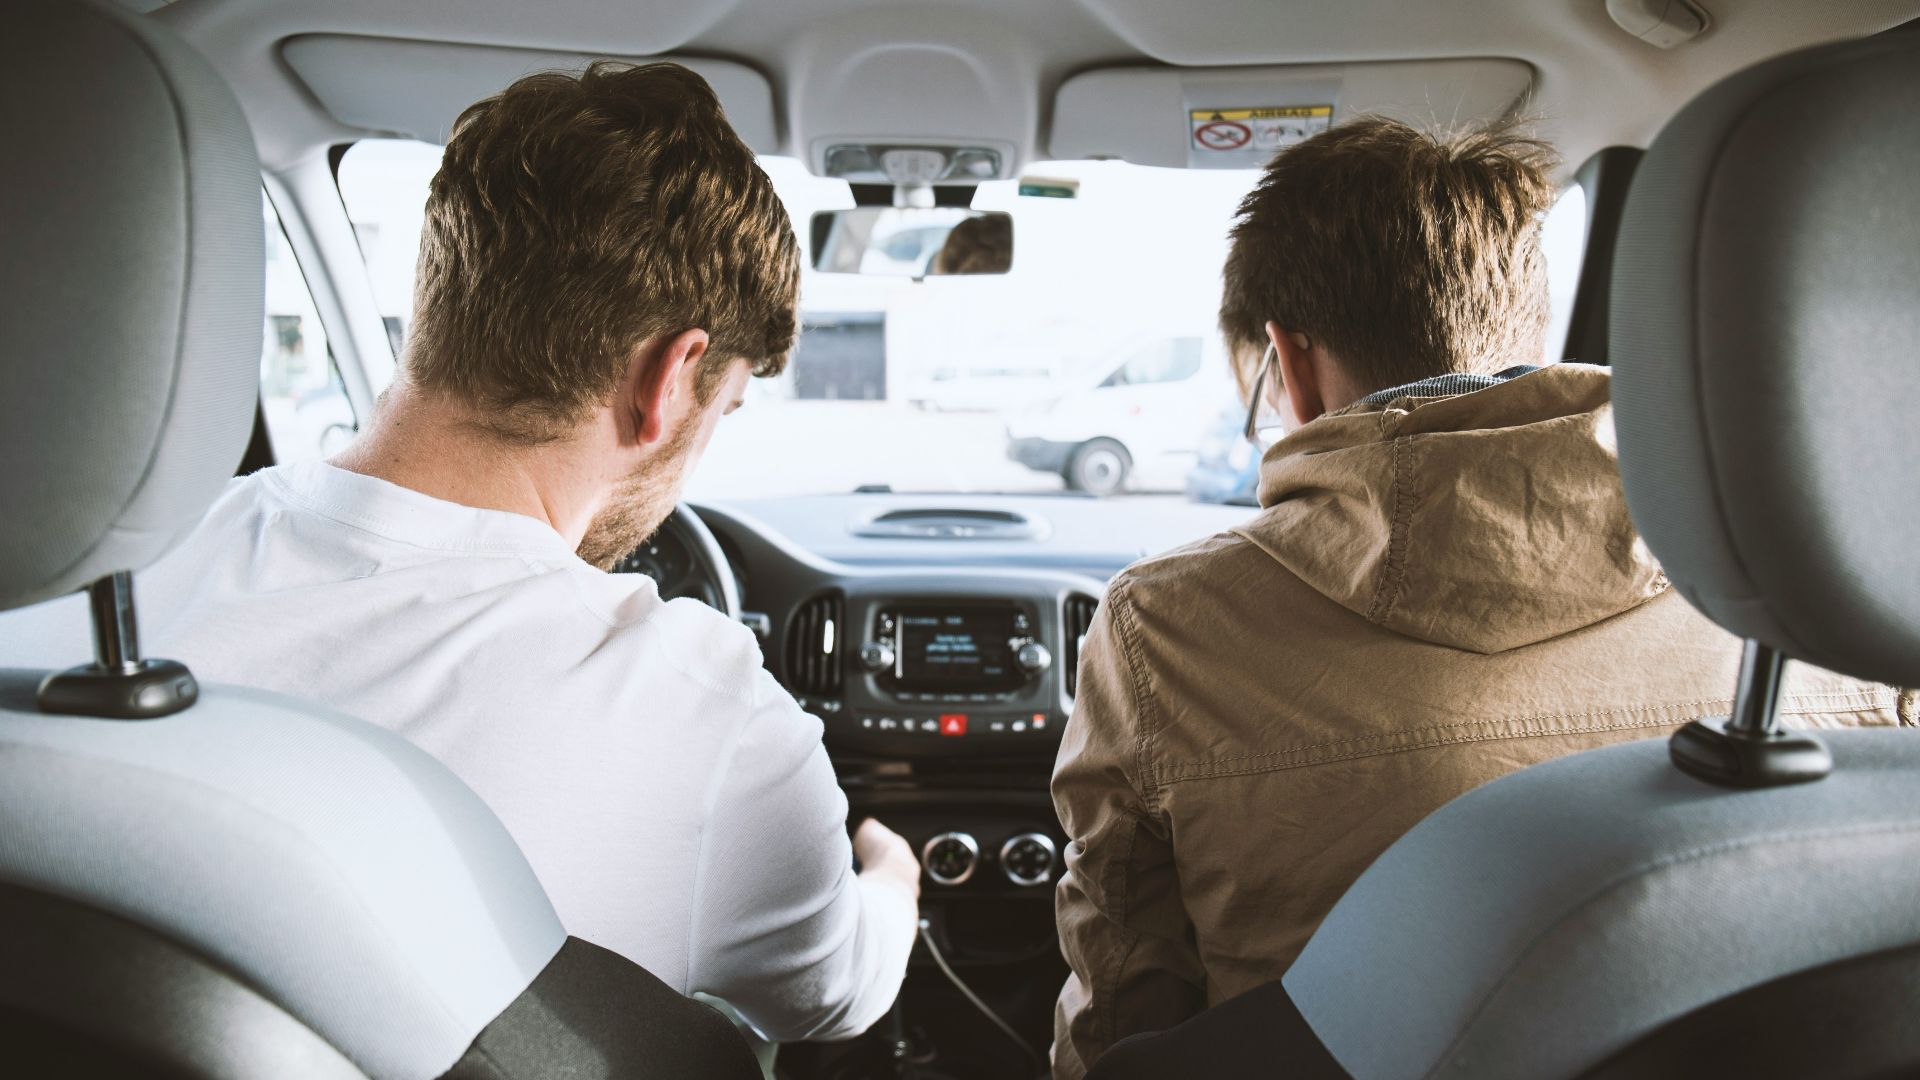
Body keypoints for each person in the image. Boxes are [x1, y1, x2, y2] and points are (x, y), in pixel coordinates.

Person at [0, 62, 920, 1044]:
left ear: (444, 296)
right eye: (721, 411)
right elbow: (832, 998)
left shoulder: (55, 603)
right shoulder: (713, 718)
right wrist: (892, 876)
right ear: (669, 378)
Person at [1048, 116, 1911, 1079]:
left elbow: (1125, 1006)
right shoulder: (1831, 596)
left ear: (1288, 364)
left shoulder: (1162, 625)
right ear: (1527, 333)